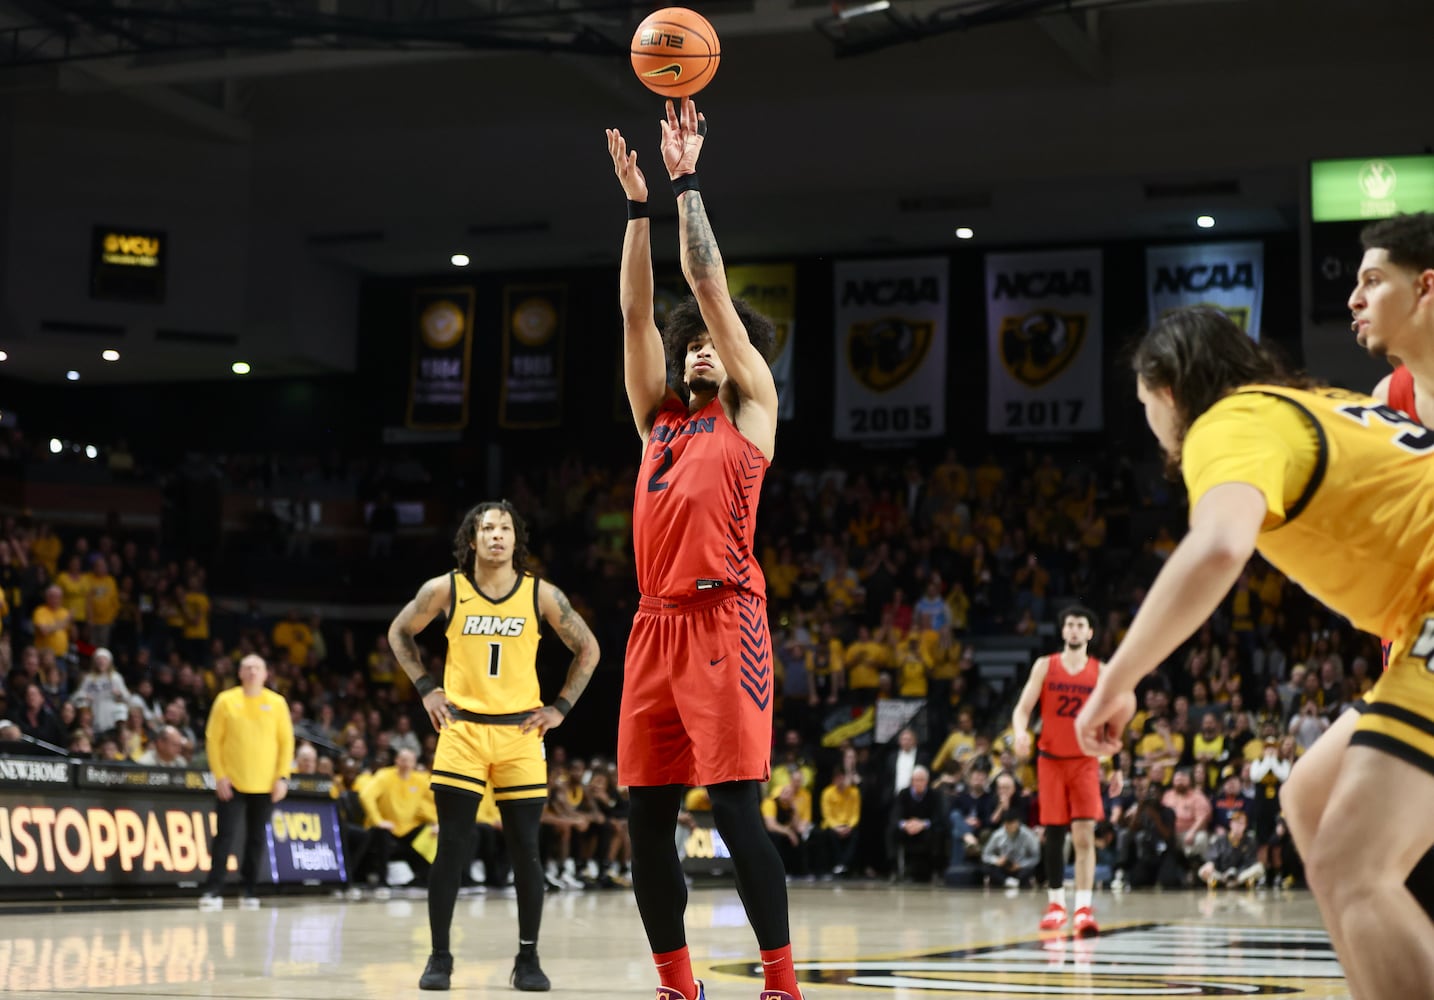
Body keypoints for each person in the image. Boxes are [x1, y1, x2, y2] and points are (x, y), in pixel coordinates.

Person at [1075, 303, 1434, 999]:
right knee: (1313, 798)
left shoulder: (1227, 422)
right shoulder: (1307, 402)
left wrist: (1117, 680)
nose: (1152, 429)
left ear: (1169, 390)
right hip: (1420, 622)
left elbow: (1217, 547)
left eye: (1146, 405)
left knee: (1354, 864)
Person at [607, 97, 800, 1000]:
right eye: (689, 349)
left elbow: (707, 287)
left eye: (709, 347)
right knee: (645, 818)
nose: (695, 353)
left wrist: (686, 181)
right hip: (653, 627)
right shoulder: (656, 422)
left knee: (733, 811)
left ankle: (780, 982)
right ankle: (677, 985)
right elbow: (638, 313)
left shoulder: (752, 412)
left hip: (726, 620)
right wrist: (637, 206)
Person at [387, 500, 600, 992]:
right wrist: (424, 687)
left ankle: (528, 959)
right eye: (487, 528)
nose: (497, 536)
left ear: (516, 540)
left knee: (526, 849)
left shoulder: (541, 595)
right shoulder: (447, 589)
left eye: (505, 528)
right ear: (472, 539)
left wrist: (560, 708)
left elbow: (589, 649)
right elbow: (399, 631)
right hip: (461, 730)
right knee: (452, 848)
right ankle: (439, 957)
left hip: (521, 734)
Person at [1352, 211, 1434, 921]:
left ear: (1426, 288)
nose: (1354, 299)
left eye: (1373, 282)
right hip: (1409, 650)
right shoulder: (1387, 401)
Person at [1011, 605, 1116, 936]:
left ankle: (1083, 909)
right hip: (1050, 760)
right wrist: (1019, 732)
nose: (1073, 629)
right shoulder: (1045, 666)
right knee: (1054, 835)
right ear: (1062, 631)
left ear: (1089, 633)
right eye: (1068, 624)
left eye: (1079, 625)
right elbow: (1022, 709)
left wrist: (1118, 767)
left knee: (1084, 835)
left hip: (1085, 761)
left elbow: (1115, 723)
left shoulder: (1102, 671)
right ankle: (1056, 904)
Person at [199, 654, 293, 910]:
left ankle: (249, 890)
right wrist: (219, 776)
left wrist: (283, 777)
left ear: (265, 674)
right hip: (233, 782)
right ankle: (213, 890)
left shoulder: (277, 703)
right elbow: (213, 741)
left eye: (257, 668)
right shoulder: (226, 700)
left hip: (265, 784)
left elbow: (286, 743)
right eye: (247, 667)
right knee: (224, 837)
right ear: (240, 673)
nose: (252, 672)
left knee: (256, 839)